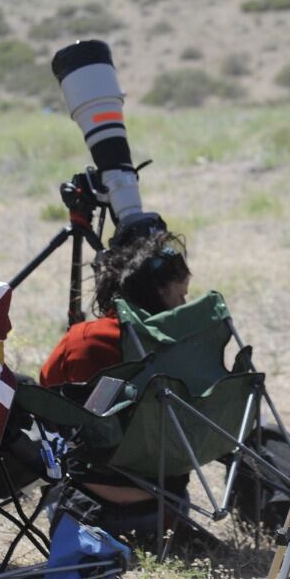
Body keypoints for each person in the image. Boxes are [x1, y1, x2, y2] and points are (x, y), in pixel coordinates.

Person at [39, 230, 192, 540]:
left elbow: (45, 396)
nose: (183, 304)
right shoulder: (180, 348)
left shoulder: (83, 338)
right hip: (163, 510)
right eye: (180, 295)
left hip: (83, 507)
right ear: (158, 294)